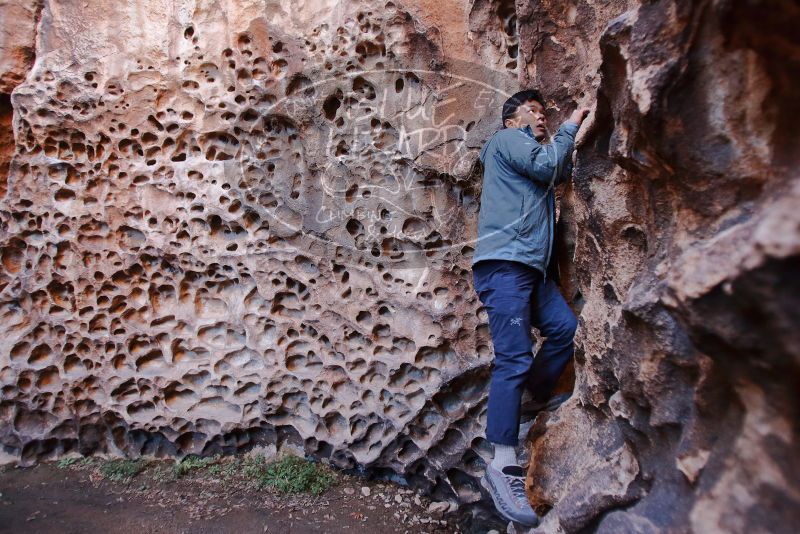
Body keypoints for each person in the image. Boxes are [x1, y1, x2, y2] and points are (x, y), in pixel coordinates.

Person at [471, 89, 590, 526]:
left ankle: (532, 399)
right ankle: (502, 460)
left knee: (563, 329)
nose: (541, 118)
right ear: (511, 120)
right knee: (514, 357)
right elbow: (550, 166)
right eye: (532, 112)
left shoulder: (528, 149)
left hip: (531, 270)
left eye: (545, 113)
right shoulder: (507, 141)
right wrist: (573, 123)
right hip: (504, 265)